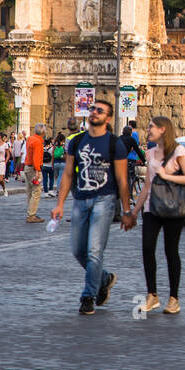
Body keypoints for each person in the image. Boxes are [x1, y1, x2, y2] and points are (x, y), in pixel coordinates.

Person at [50, 99, 132, 315]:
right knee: (78, 250)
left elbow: (123, 180)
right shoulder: (76, 142)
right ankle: (104, 279)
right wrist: (60, 204)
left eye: (99, 110)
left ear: (108, 117)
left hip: (104, 199)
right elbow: (68, 173)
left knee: (95, 250)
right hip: (80, 199)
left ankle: (88, 296)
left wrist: (126, 210)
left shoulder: (115, 144)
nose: (94, 112)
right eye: (93, 109)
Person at [131, 115, 185, 313]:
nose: (148, 129)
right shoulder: (150, 153)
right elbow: (148, 185)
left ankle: (173, 298)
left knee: (171, 251)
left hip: (173, 207)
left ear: (163, 130)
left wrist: (166, 175)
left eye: (152, 126)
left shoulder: (179, 151)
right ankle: (152, 295)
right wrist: (135, 211)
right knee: (147, 248)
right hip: (152, 207)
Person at [23, 123, 47, 223]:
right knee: (36, 191)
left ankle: (30, 212)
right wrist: (37, 171)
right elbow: (36, 158)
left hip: (27, 167)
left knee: (30, 191)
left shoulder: (30, 139)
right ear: (44, 132)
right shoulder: (38, 142)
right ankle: (31, 215)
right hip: (33, 169)